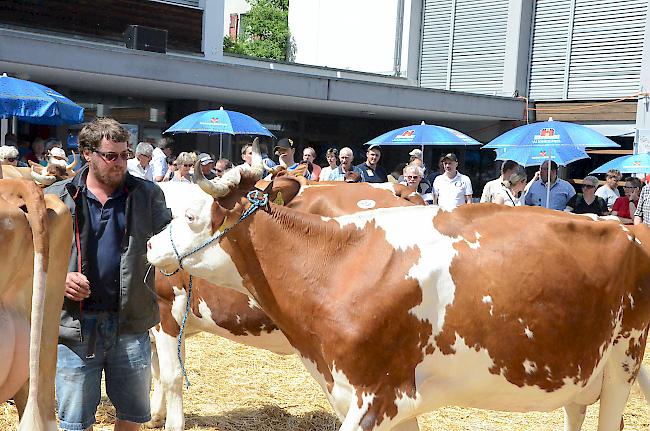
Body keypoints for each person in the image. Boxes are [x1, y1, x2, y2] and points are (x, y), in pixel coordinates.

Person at [45, 117, 171, 431]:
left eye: (125, 155)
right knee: (76, 422)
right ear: (87, 153)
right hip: (74, 327)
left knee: (131, 419)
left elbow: (170, 241)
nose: (120, 163)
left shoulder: (147, 195)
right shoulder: (57, 198)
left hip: (130, 323)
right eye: (111, 156)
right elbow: (34, 259)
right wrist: (58, 280)